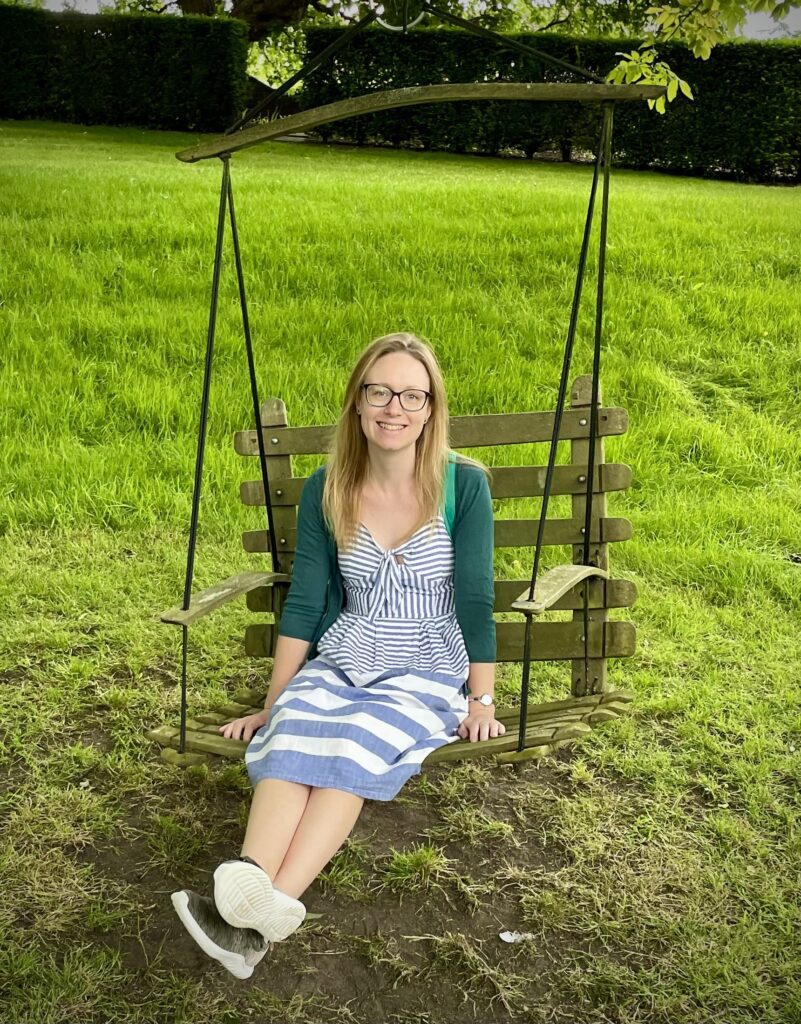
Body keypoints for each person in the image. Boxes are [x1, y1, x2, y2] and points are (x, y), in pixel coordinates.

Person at [171, 331, 505, 978]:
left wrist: (481, 697)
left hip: (428, 664)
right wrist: (272, 705)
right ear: (356, 402)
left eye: (413, 395)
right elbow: (305, 601)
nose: (394, 408)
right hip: (347, 651)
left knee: (351, 744)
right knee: (295, 732)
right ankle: (253, 908)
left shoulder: (462, 486)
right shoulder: (329, 486)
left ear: (432, 409)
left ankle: (257, 916)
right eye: (379, 391)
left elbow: (474, 597)